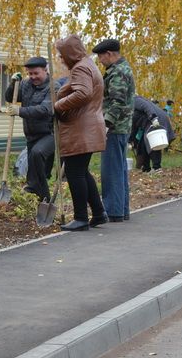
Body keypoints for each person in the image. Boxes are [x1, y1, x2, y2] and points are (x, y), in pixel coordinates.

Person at [53, 34, 107, 231]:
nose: (61, 59)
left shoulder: (81, 67)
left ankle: (81, 218)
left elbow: (83, 93)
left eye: (62, 55)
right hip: (89, 126)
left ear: (70, 53)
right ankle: (99, 213)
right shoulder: (88, 64)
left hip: (81, 128)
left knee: (75, 172)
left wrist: (58, 106)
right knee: (82, 171)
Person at [92, 38, 135, 223]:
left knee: (111, 171)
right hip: (121, 127)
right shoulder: (121, 69)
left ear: (109, 54)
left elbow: (117, 102)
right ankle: (121, 210)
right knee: (119, 170)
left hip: (114, 128)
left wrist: (106, 125)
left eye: (101, 57)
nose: (100, 61)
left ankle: (113, 211)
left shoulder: (118, 72)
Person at [3, 56, 55, 201]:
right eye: (30, 74)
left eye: (36, 73)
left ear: (45, 70)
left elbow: (45, 109)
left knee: (37, 155)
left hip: (50, 133)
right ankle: (35, 192)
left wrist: (20, 111)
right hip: (32, 134)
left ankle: (45, 197)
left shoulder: (53, 87)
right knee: (35, 168)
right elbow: (10, 97)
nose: (33, 77)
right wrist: (13, 84)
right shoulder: (26, 84)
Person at [131, 95, 174, 172]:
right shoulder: (127, 109)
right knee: (142, 144)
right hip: (147, 123)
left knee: (153, 142)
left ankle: (157, 168)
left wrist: (154, 119)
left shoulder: (135, 100)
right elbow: (133, 127)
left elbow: (146, 106)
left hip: (156, 120)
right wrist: (131, 140)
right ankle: (146, 168)